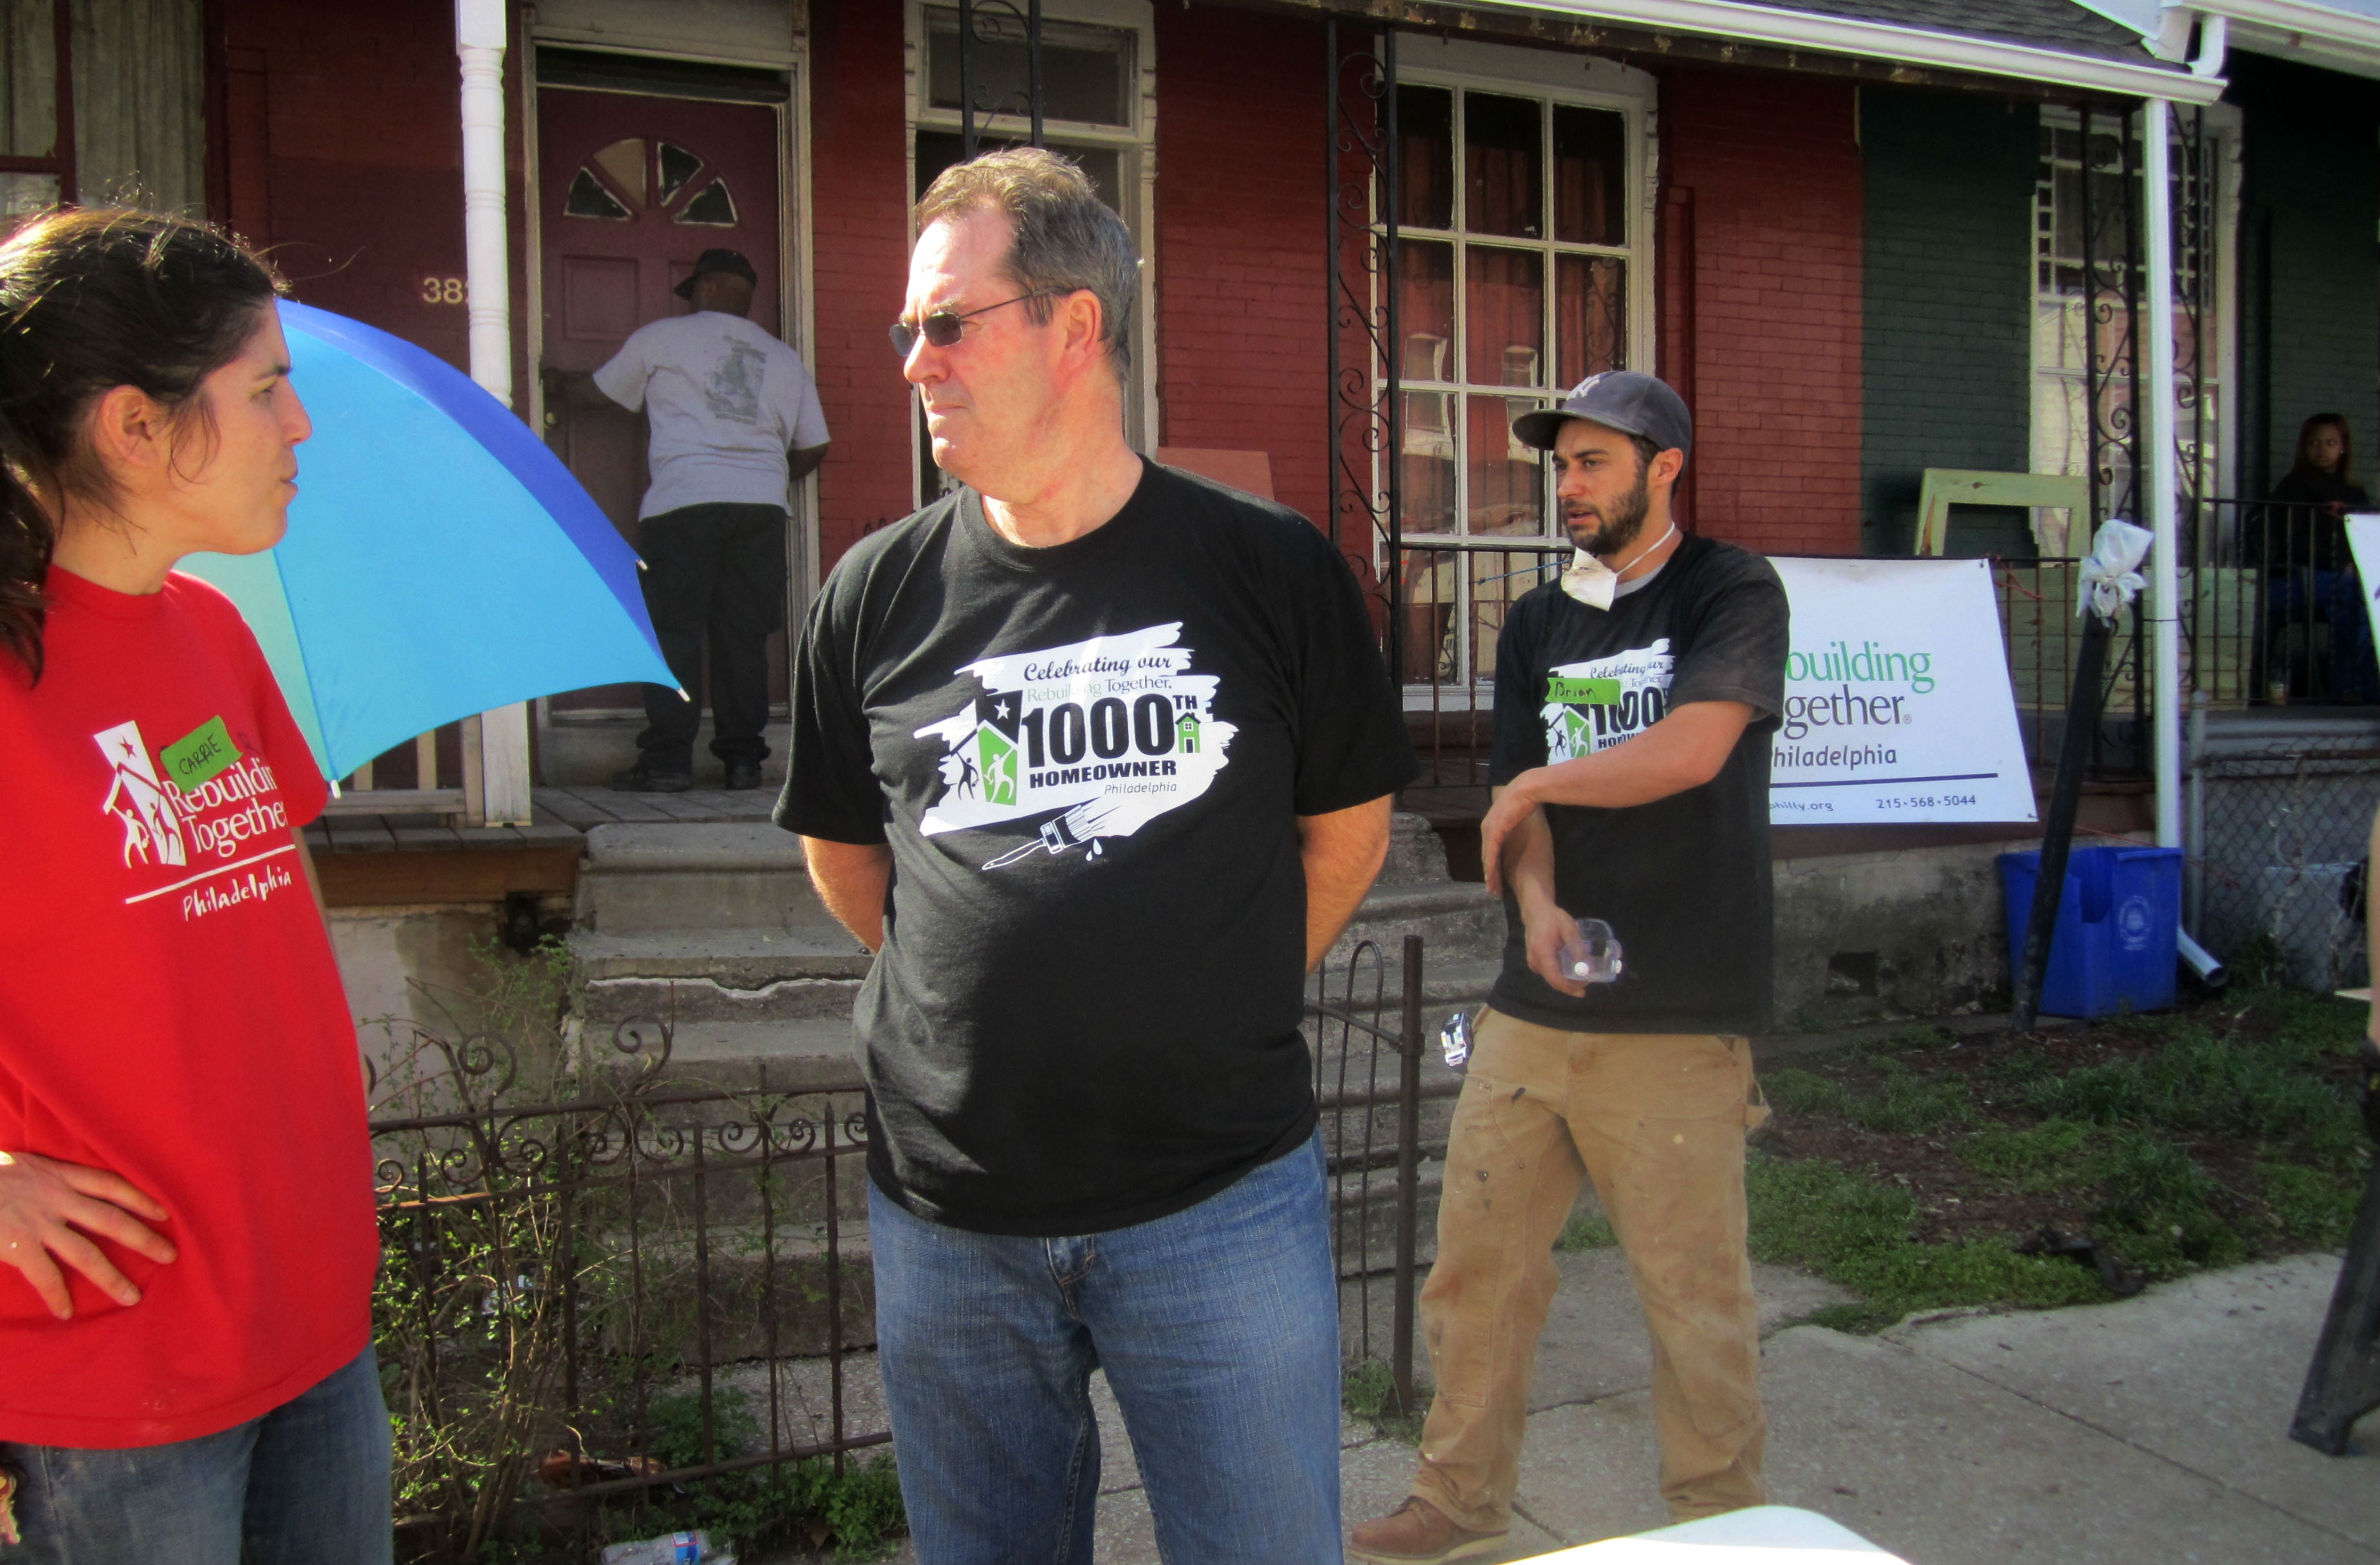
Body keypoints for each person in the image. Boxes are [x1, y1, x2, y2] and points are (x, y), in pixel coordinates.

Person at [778, 148, 1416, 1564]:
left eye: (947, 323)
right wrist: (982, 992)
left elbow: (1346, 832)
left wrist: (1207, 995)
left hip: (1218, 1206)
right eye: (907, 329)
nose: (910, 362)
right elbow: (845, 858)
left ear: (1075, 327)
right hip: (950, 1222)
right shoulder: (871, 593)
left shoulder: (1268, 570)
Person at [0, 209, 387, 1562]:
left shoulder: (214, 634)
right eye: (268, 388)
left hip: (312, 1322)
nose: (302, 429)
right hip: (117, 1374)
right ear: (135, 428)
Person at [1350, 372, 1788, 1564]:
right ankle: (1456, 1504)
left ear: (1666, 467)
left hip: (1680, 1004)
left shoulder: (1729, 590)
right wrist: (1535, 905)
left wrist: (1539, 783)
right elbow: (1513, 808)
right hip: (1534, 1005)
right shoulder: (1540, 621)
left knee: (1693, 1299)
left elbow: (1696, 748)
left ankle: (1722, 1526)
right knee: (1478, 1272)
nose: (1571, 485)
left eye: (1596, 461)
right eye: (1563, 464)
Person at [593, 246, 830, 791]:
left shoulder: (661, 339)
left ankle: (668, 762)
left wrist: (554, 383)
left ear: (706, 287)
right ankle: (743, 762)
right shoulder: (784, 358)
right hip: (761, 510)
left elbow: (606, 392)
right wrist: (764, 474)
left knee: (674, 633)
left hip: (682, 505)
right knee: (743, 637)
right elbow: (815, 446)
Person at [2255, 413, 2375, 702]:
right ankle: (2348, 686)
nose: (2322, 450)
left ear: (2343, 447)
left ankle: (2370, 688)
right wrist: (2342, 564)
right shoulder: (2293, 486)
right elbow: (2289, 540)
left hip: (2343, 577)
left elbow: (2367, 537)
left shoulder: (2356, 493)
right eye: (2315, 443)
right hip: (2297, 577)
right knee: (2352, 594)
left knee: (2370, 599)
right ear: (2304, 447)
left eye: (2331, 442)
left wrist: (2355, 563)